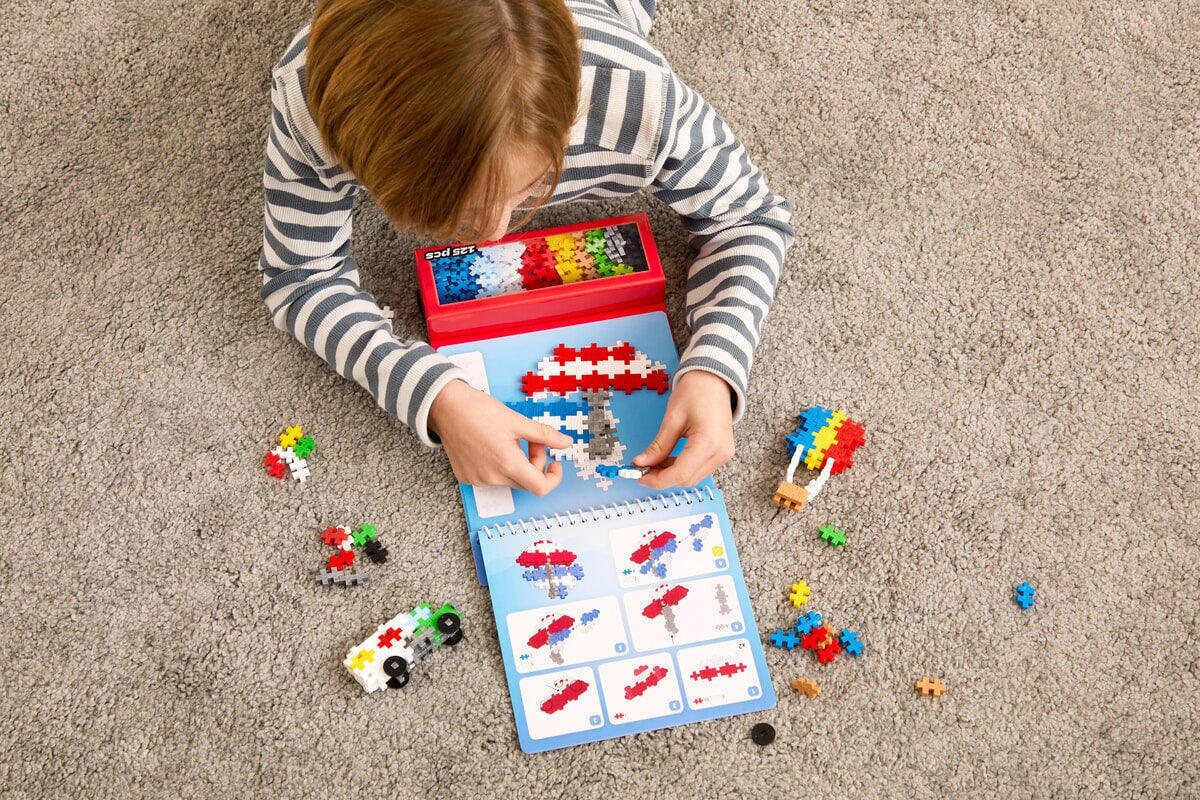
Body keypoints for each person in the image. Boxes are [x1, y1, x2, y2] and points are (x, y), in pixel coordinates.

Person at [259, 0, 794, 496]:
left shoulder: (641, 101)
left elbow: (750, 215)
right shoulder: (310, 102)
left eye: (528, 190)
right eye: (454, 212)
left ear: (567, 123)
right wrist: (434, 395)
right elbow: (299, 277)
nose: (493, 235)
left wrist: (716, 365)